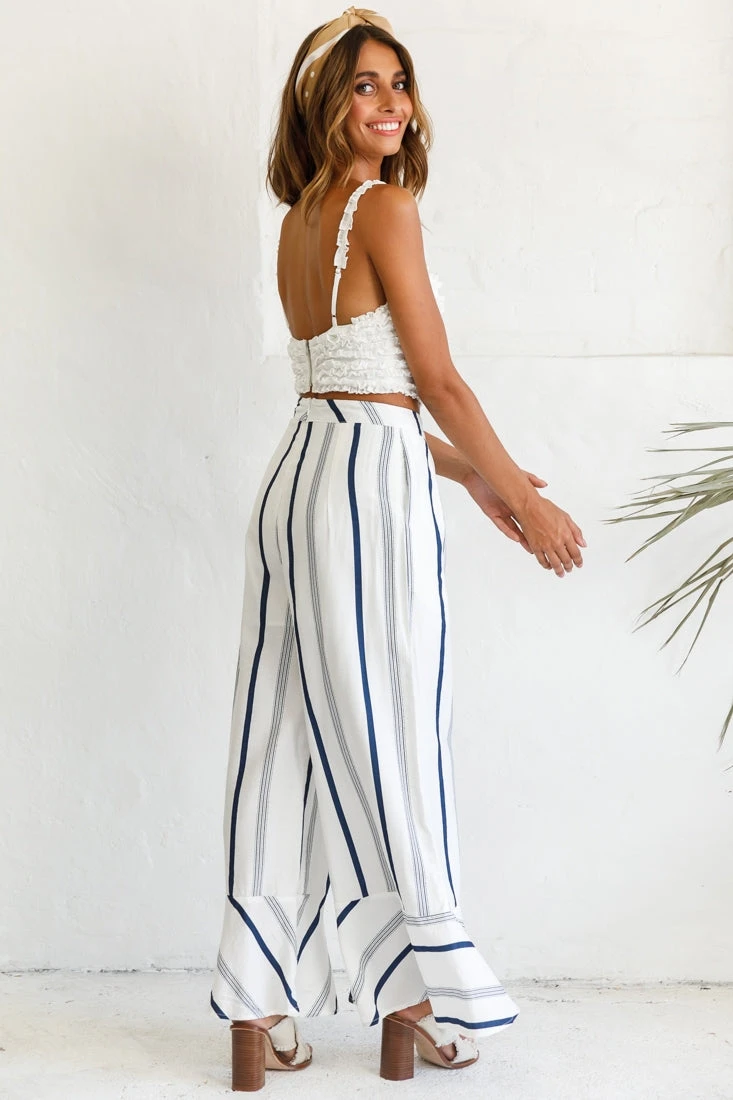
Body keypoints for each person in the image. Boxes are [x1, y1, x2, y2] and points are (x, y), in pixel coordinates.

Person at [209, 6, 587, 1091]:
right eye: (365, 85)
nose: (391, 105)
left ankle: (257, 1001)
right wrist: (525, 500)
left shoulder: (299, 217)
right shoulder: (383, 207)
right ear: (324, 103)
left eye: (399, 83)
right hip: (365, 496)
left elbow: (353, 394)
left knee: (281, 738)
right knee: (391, 736)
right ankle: (416, 994)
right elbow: (437, 381)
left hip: (300, 479)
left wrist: (469, 475)